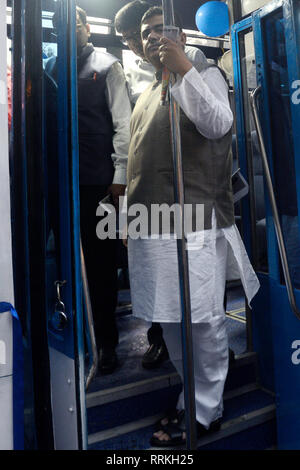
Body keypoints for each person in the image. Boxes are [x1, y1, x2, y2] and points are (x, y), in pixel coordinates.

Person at [126, 6, 260, 446]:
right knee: (168, 317)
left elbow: (218, 123)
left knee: (202, 319)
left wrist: (184, 67)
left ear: (180, 34)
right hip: (152, 222)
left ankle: (207, 410)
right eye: (145, 33)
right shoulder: (147, 89)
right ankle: (193, 394)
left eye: (160, 30)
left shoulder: (205, 73)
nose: (152, 39)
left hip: (196, 220)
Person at [114, 0, 208, 370]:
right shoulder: (137, 80)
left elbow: (212, 123)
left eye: (149, 32)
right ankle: (166, 341)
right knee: (158, 282)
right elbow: (135, 149)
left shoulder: (190, 62)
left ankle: (200, 365)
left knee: (193, 294)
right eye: (133, 38)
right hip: (147, 196)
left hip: (187, 198)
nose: (140, 43)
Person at [47, 6, 132, 374]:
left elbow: (124, 126)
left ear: (85, 28)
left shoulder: (107, 65)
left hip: (99, 183)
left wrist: (120, 176)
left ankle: (107, 343)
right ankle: (73, 337)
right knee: (62, 265)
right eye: (59, 25)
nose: (67, 31)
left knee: (100, 266)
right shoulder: (47, 68)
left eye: (74, 24)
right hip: (58, 185)